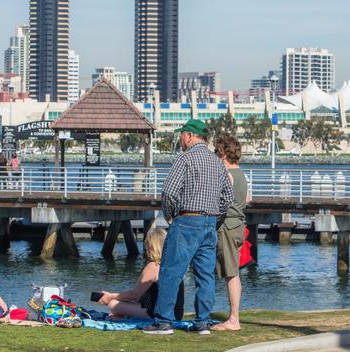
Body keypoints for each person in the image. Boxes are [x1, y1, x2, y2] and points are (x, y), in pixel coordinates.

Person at [143, 119, 234, 335]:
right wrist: (215, 219)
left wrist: (170, 215)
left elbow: (170, 192)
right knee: (205, 275)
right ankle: (202, 322)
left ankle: (164, 321)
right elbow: (227, 197)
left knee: (171, 271)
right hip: (209, 222)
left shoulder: (184, 158)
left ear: (190, 136)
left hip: (186, 220)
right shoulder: (216, 162)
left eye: (181, 134)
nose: (180, 138)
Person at [98, 227, 184, 320]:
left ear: (150, 245)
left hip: (158, 313)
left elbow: (134, 295)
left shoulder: (154, 266)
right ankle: (122, 318)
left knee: (113, 304)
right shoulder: (174, 265)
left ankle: (124, 318)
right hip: (176, 313)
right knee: (119, 309)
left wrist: (110, 296)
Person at [210, 134, 250, 331]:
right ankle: (233, 316)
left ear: (224, 154)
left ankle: (234, 319)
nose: (216, 156)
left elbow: (218, 200)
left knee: (231, 273)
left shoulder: (227, 174)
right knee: (232, 272)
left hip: (227, 226)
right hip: (238, 225)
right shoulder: (241, 173)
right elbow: (247, 198)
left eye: (217, 152)